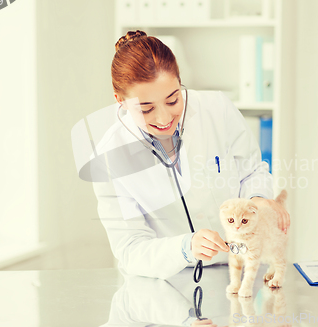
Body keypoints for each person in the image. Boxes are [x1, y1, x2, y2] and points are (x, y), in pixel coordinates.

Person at [92, 30, 290, 279]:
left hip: (243, 270)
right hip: (169, 284)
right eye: (146, 108)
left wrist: (258, 199)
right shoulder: (110, 156)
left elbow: (252, 170)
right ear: (119, 100)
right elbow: (130, 248)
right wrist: (185, 248)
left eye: (173, 100)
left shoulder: (216, 109)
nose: (164, 119)